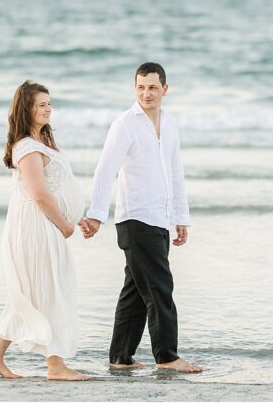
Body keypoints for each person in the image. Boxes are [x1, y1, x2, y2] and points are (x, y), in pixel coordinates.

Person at [80, 62, 203, 373]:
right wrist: (96, 214)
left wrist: (180, 216)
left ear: (165, 88)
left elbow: (175, 173)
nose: (146, 93)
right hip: (136, 219)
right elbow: (106, 168)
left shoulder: (170, 124)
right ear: (135, 89)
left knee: (135, 292)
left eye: (152, 87)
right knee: (161, 287)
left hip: (160, 220)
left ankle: (120, 358)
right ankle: (167, 357)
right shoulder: (125, 124)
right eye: (140, 87)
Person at [0, 80, 90, 381]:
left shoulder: (41, 143)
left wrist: (75, 215)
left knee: (35, 290)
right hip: (36, 228)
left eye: (48, 103)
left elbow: (57, 187)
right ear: (25, 109)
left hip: (46, 225)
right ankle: (55, 366)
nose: (47, 109)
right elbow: (40, 195)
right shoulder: (27, 148)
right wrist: (65, 224)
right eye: (41, 104)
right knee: (51, 288)